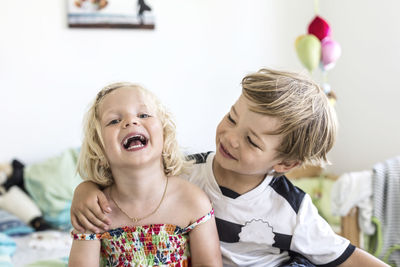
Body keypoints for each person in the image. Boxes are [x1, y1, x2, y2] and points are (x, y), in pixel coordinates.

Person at [70, 69, 389, 267]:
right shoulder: (185, 171)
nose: (231, 138)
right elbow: (133, 180)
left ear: (284, 164)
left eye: (251, 140)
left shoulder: (292, 210)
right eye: (232, 118)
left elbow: (347, 257)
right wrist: (85, 189)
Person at [68, 83, 222, 266]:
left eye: (143, 115)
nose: (131, 122)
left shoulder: (192, 200)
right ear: (99, 149)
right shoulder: (95, 211)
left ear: (164, 134)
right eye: (114, 121)